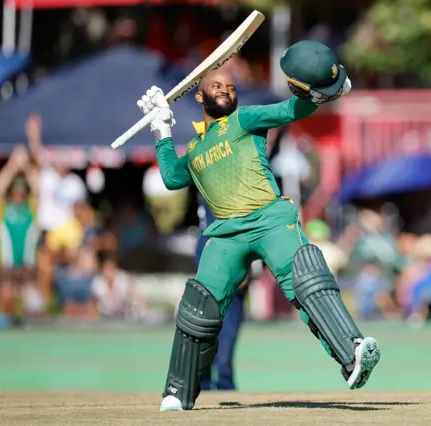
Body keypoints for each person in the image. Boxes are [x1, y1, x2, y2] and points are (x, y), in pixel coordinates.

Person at [138, 40, 380, 412]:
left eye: (230, 86)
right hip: (224, 234)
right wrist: (161, 129)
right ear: (199, 97)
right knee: (198, 307)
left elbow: (290, 109)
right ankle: (178, 391)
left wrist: (320, 91)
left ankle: (352, 353)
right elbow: (171, 177)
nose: (226, 89)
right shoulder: (196, 150)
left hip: (268, 219)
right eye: (217, 86)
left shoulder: (246, 119)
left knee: (305, 277)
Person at [196, 196, 247, 391]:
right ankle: (204, 388)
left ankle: (224, 390)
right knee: (205, 339)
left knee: (224, 359)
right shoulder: (209, 178)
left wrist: (246, 263)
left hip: (231, 260)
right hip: (210, 257)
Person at [0, 146, 44, 321]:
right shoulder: (3, 211)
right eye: (16, 192)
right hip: (8, 265)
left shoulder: (31, 211)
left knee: (32, 303)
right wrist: (13, 165)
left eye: (22, 192)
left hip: (27, 267)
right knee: (7, 298)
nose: (19, 195)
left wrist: (26, 166)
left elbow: (37, 189)